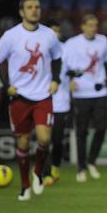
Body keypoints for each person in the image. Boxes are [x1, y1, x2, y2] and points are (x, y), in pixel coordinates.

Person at [0, 0, 62, 201]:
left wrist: (55, 79)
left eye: (37, 7)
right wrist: (5, 86)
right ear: (21, 12)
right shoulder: (11, 36)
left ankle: (38, 172)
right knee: (22, 143)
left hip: (43, 96)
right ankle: (25, 185)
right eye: (29, 7)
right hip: (19, 96)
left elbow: (57, 59)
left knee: (44, 139)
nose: (34, 10)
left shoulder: (49, 35)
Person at [63, 14, 107, 183]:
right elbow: (64, 66)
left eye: (95, 25)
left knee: (102, 127)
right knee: (81, 131)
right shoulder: (71, 44)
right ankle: (81, 167)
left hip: (100, 91)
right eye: (90, 25)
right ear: (82, 27)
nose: (93, 28)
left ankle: (91, 161)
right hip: (81, 92)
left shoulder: (103, 41)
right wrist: (70, 81)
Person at [42, 19, 70, 186]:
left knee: (57, 139)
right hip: (42, 99)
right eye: (51, 30)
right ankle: (45, 173)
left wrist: (74, 76)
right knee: (44, 139)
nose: (54, 34)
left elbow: (73, 67)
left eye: (57, 31)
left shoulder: (66, 49)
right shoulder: (40, 48)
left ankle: (55, 166)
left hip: (61, 100)